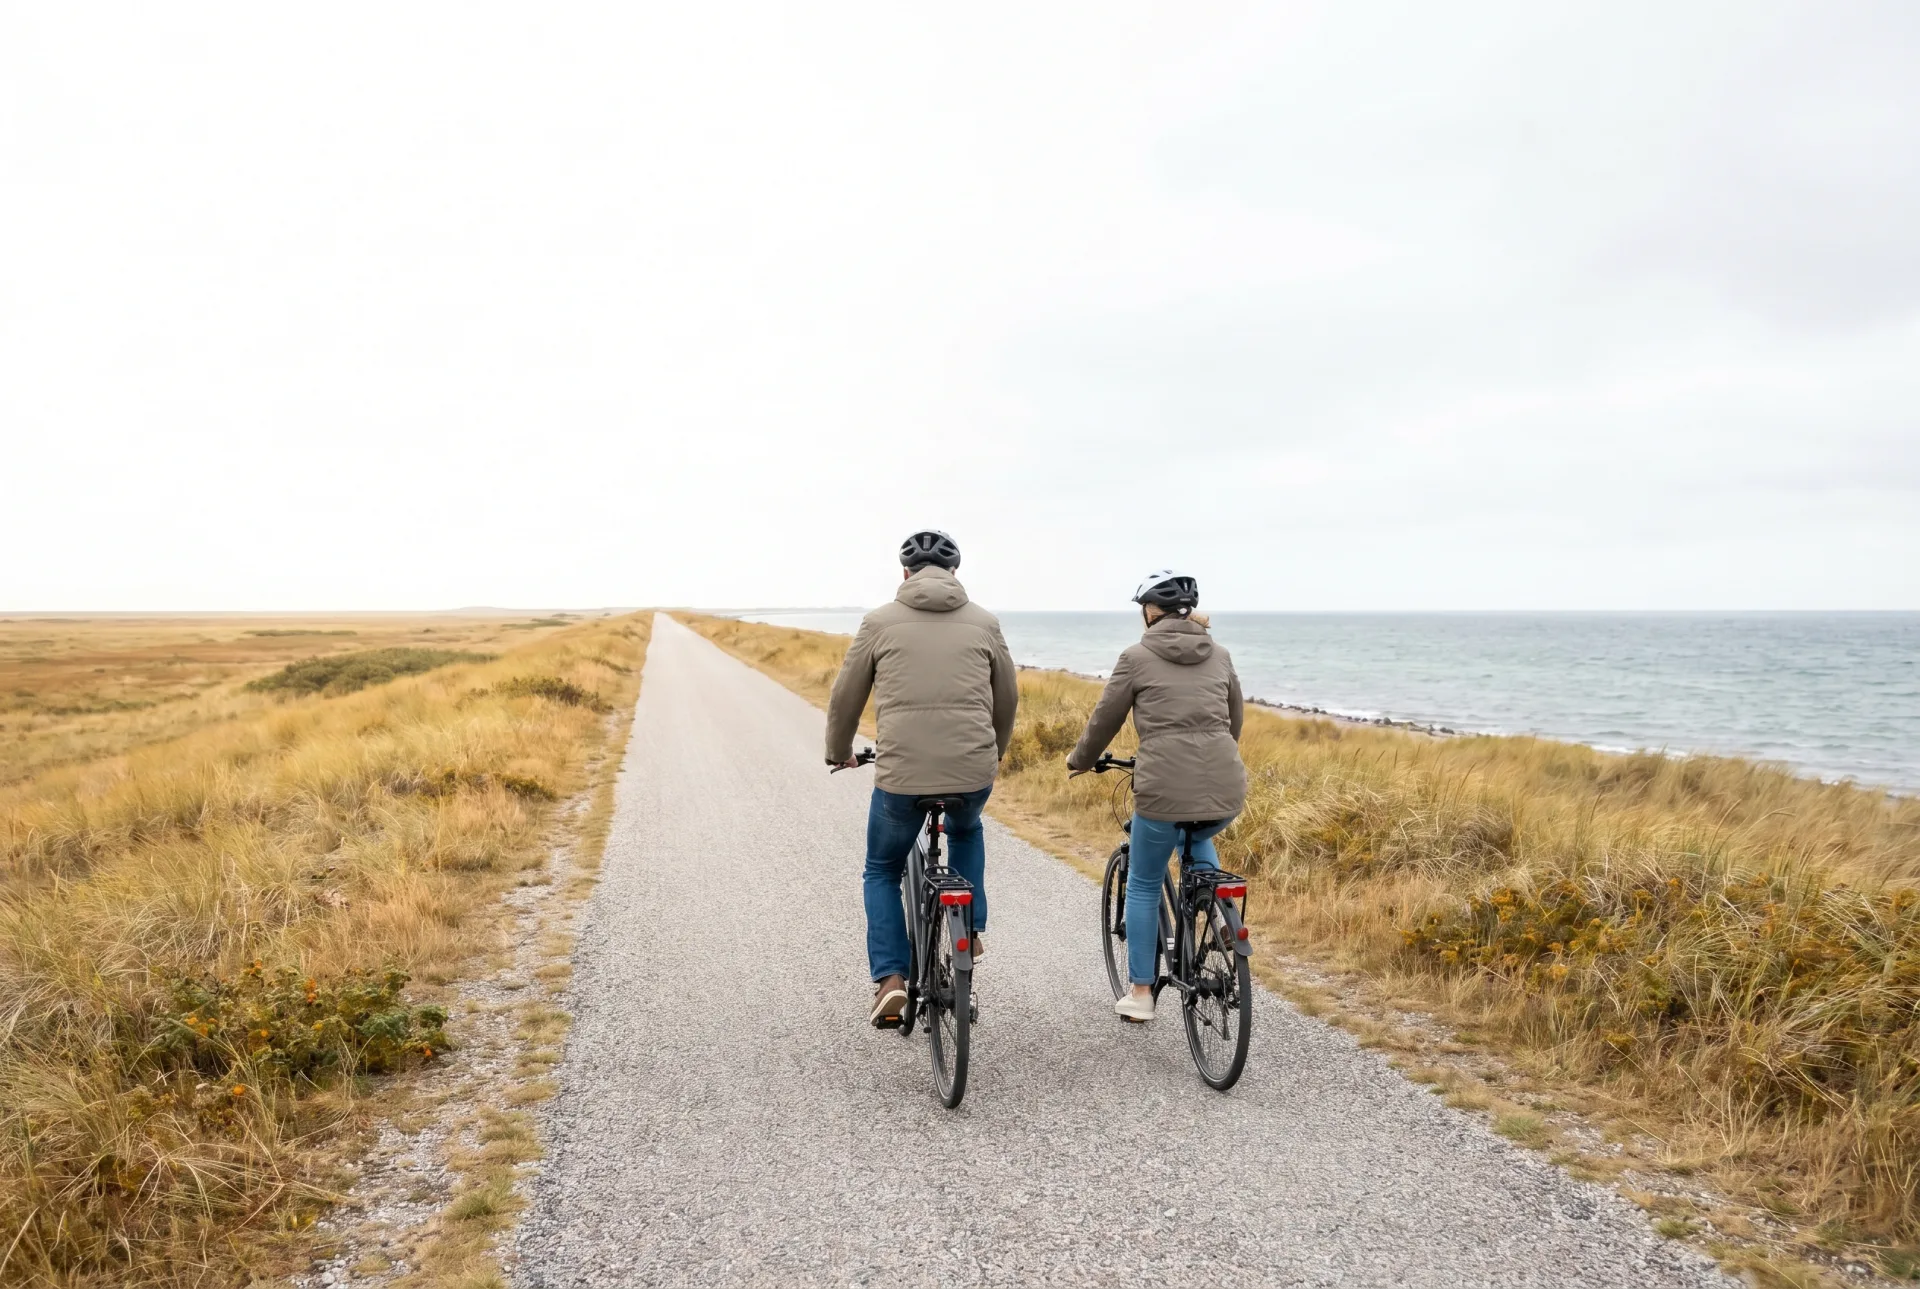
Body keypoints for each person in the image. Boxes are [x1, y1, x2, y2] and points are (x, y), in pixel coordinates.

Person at [826, 530, 1019, 1026]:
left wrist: (839, 752)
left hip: (902, 776)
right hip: (972, 770)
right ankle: (970, 928)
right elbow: (1008, 696)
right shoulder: (985, 622)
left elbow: (846, 697)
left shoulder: (878, 622)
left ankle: (891, 981)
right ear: (955, 573)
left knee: (882, 869)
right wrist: (993, 750)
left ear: (905, 573)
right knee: (966, 828)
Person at [1065, 569, 1247, 1022]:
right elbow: (1234, 719)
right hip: (1225, 784)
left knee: (1144, 883)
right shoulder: (1219, 654)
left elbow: (1104, 719)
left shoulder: (1136, 655)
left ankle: (1142, 993)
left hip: (1163, 786)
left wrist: (1081, 760)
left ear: (1151, 611)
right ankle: (1223, 918)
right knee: (1198, 830)